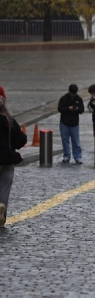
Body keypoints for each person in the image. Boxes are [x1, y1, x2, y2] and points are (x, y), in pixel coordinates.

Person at [0, 87, 27, 227]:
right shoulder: (8, 119)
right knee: (4, 189)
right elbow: (21, 140)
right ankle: (1, 212)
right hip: (8, 159)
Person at [57, 84, 84, 164]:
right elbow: (60, 109)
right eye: (72, 93)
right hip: (64, 122)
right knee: (65, 140)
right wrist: (68, 109)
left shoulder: (79, 99)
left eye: (74, 93)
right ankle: (67, 155)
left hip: (74, 123)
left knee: (76, 141)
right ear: (69, 91)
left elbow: (82, 110)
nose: (73, 95)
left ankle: (77, 157)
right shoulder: (63, 98)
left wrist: (77, 109)